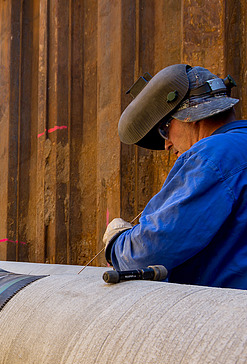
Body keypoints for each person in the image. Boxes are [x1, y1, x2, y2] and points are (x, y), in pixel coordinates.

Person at [103, 64, 247, 289]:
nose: (167, 143)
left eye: (164, 128)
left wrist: (117, 244)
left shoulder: (213, 155)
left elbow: (151, 252)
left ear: (191, 115)